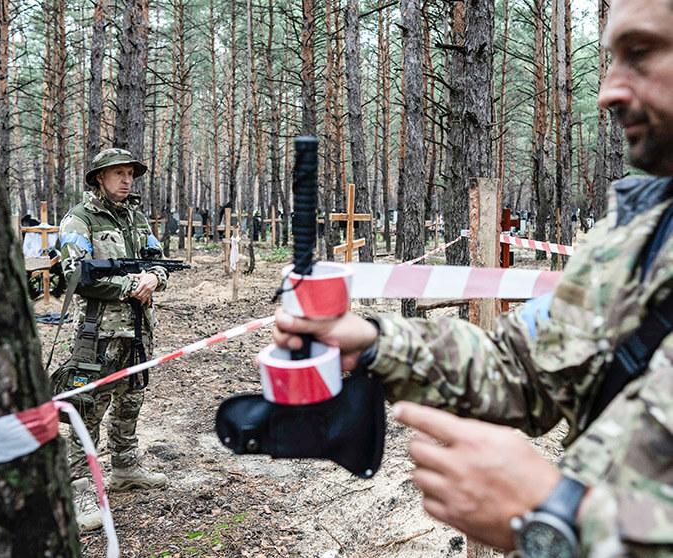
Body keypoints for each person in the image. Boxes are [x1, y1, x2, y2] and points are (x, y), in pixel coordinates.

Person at [273, 0, 673, 556]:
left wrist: (563, 516)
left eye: (641, 53)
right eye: (610, 60)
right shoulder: (635, 232)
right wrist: (374, 345)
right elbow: (525, 369)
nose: (607, 92)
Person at [58, 148, 169, 531]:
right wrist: (128, 285)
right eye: (118, 173)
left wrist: (154, 277)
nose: (126, 180)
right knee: (88, 407)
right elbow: (75, 273)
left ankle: (125, 466)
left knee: (132, 398)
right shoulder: (79, 220)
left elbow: (158, 260)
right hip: (97, 331)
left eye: (130, 174)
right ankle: (79, 486)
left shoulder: (136, 218)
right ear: (99, 178)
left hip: (137, 329)